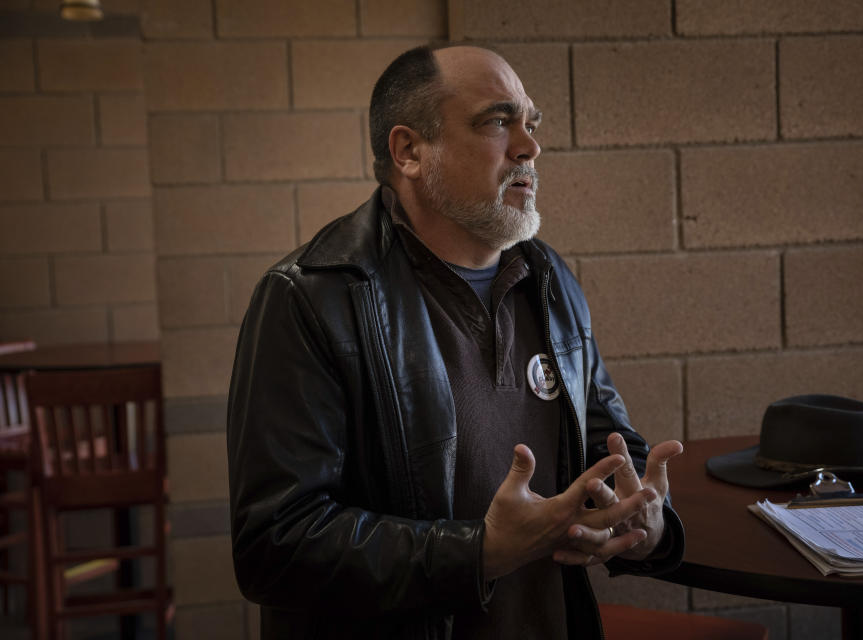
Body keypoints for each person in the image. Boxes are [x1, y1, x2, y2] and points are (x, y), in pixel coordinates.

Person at [227, 44, 684, 639]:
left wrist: (641, 520)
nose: (529, 147)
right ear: (409, 151)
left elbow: (604, 441)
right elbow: (274, 545)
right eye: (497, 121)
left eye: (530, 122)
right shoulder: (311, 298)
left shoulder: (548, 280)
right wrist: (479, 551)